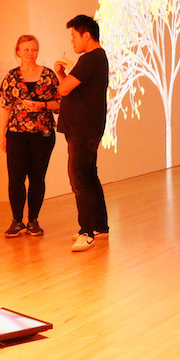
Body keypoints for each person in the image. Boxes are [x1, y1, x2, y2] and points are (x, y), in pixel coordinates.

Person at [0, 34, 60, 238]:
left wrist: (42, 105)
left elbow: (60, 104)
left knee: (37, 177)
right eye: (26, 50)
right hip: (16, 134)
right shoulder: (11, 77)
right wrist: (1, 134)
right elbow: (5, 107)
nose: (30, 53)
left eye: (33, 49)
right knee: (15, 178)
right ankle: (16, 221)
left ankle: (33, 220)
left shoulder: (49, 75)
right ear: (18, 52)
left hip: (43, 134)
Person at [54, 15, 109, 253]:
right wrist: (62, 74)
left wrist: (61, 76)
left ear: (87, 35)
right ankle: (100, 226)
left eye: (74, 36)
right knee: (89, 176)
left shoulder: (90, 59)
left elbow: (64, 89)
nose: (72, 41)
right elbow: (71, 90)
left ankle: (86, 232)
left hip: (82, 130)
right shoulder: (98, 58)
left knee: (79, 180)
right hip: (87, 128)